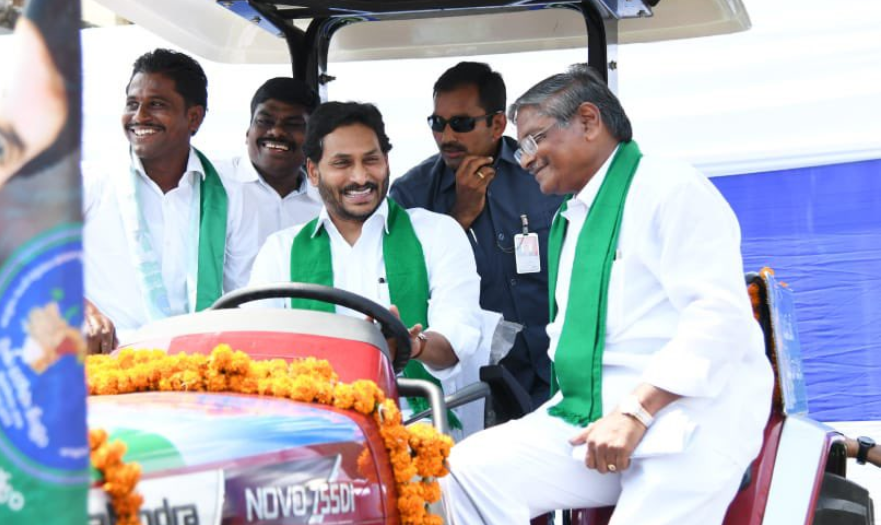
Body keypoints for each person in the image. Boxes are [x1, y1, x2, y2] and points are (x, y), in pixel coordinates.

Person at [444, 66, 774, 524]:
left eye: (536, 140)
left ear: (588, 121)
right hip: (590, 416)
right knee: (463, 471)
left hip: (686, 418)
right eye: (521, 147)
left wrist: (637, 410)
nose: (525, 159)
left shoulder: (669, 188)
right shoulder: (573, 217)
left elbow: (719, 318)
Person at [248, 101, 496, 436]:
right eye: (342, 163)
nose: (361, 177)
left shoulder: (438, 233)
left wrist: (413, 346)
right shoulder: (280, 251)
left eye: (371, 160)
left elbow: (458, 338)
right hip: (315, 431)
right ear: (313, 171)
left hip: (422, 426)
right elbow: (261, 355)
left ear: (387, 162)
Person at [391, 62, 562, 408]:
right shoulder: (411, 194)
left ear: (497, 124)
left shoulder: (547, 172)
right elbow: (409, 283)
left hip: (558, 369)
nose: (447, 136)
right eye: (437, 124)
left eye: (462, 124)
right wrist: (461, 214)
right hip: (474, 384)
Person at [82, 49, 259, 351]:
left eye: (157, 105)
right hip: (106, 365)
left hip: (193, 369)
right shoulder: (90, 182)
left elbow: (243, 297)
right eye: (132, 104)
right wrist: (86, 313)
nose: (139, 117)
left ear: (194, 118)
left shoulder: (232, 194)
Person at [213, 77, 322, 244]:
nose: (277, 131)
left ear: (313, 140)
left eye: (293, 124)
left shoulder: (326, 201)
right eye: (264, 121)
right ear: (248, 132)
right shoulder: (214, 185)